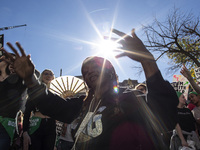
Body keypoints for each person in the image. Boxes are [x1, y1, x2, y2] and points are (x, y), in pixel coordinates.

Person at [1, 28, 178, 149]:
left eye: (96, 67)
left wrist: (147, 60)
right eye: (85, 71)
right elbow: (50, 103)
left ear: (110, 72)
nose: (89, 71)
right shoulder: (81, 105)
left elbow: (165, 116)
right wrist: (30, 78)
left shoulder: (130, 98)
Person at [22, 69, 57, 150]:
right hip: (36, 124)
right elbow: (27, 113)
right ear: (41, 76)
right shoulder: (35, 92)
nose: (48, 75)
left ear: (53, 77)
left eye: (51, 74)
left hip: (51, 126)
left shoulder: (56, 94)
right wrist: (25, 132)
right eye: (46, 73)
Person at [0, 54, 26, 150]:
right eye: (7, 60)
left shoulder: (20, 80)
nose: (11, 62)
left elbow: (34, 76)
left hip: (6, 124)